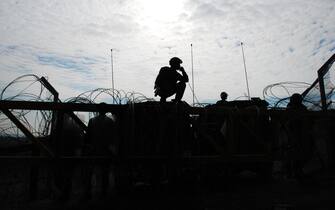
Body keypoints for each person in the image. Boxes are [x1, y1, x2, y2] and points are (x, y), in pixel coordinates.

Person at [84, 102, 118, 199]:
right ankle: (104, 193)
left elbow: (88, 137)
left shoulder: (92, 121)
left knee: (90, 172)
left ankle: (88, 192)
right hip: (106, 150)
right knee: (105, 173)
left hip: (94, 150)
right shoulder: (110, 122)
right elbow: (113, 137)